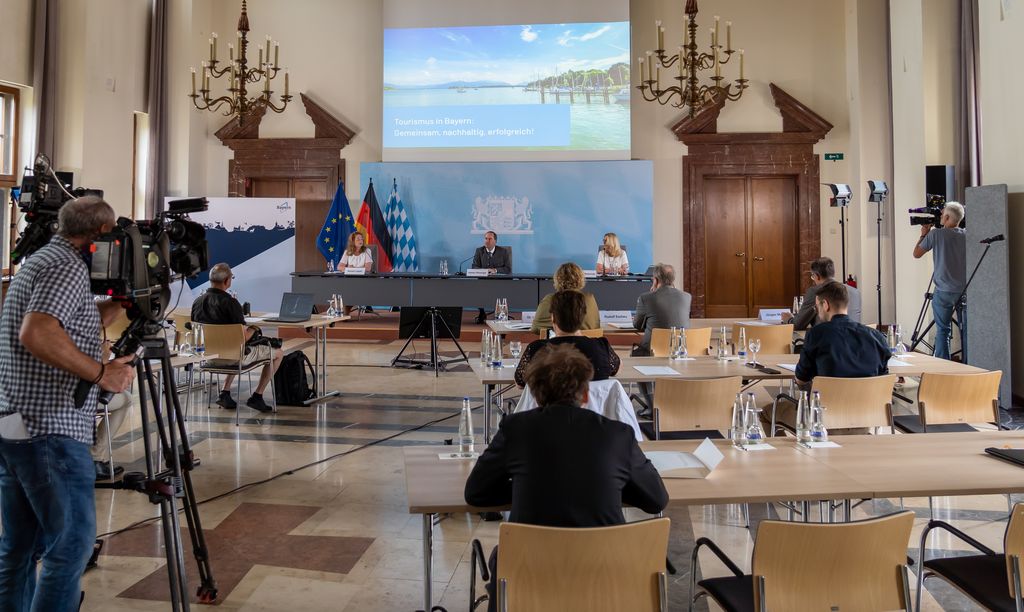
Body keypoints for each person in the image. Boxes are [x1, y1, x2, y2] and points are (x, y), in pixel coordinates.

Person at [0, 196, 136, 611]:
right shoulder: (67, 266)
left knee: (20, 546)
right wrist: (101, 373)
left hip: (17, 422)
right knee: (72, 544)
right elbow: (38, 332)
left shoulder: (44, 259)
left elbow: (71, 322)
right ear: (99, 235)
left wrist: (122, 304)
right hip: (50, 427)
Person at [465, 343, 669, 611]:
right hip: (606, 579)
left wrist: (525, 489)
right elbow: (656, 499)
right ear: (585, 394)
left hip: (530, 578)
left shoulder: (515, 429)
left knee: (498, 558)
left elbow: (476, 493)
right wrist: (611, 485)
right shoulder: (618, 435)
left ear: (535, 395)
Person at [191, 263, 283, 412]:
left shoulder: (197, 302)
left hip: (207, 357)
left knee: (231, 347)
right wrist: (254, 329)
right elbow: (242, 338)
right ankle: (257, 397)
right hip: (232, 357)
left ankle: (225, 393)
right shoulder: (231, 303)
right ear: (227, 280)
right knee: (278, 353)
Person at [795, 281, 891, 388]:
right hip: (870, 403)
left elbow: (801, 380)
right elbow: (884, 380)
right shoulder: (877, 337)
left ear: (826, 305)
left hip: (828, 403)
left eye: (817, 307)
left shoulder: (816, 334)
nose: (817, 311)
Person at [515, 290, 619, 387]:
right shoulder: (601, 346)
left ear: (553, 318)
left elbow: (520, 382)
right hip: (592, 407)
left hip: (548, 406)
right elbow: (616, 368)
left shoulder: (536, 349)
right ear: (583, 317)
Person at [913, 202, 967, 360]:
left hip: (943, 290)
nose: (941, 217)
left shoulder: (936, 234)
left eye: (943, 215)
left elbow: (917, 253)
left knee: (943, 330)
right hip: (964, 290)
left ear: (948, 217)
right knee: (966, 330)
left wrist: (924, 233)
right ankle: (969, 363)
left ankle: (944, 366)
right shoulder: (967, 234)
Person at [785, 257, 862, 330]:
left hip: (826, 339)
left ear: (817, 276)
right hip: (855, 340)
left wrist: (789, 319)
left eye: (812, 276)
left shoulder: (816, 292)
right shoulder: (855, 292)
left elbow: (798, 325)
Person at [633, 263, 692, 354]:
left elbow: (637, 325)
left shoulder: (646, 298)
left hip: (653, 350)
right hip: (681, 349)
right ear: (673, 279)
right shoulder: (687, 297)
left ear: (655, 280)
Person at [531, 262, 600, 336]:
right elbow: (596, 327)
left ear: (557, 279)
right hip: (587, 346)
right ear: (581, 278)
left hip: (556, 346)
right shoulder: (590, 299)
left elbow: (535, 328)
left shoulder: (550, 300)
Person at [472, 231, 512, 323]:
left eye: (490, 239)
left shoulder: (503, 251)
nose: (487, 241)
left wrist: (495, 270)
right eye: (486, 238)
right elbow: (474, 266)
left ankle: (501, 313)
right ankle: (482, 313)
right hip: (483, 281)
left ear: (495, 241)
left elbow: (508, 269)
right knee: (476, 288)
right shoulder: (479, 251)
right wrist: (484, 271)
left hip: (499, 281)